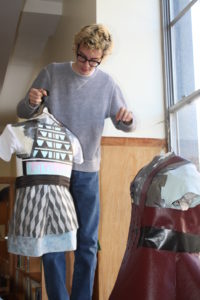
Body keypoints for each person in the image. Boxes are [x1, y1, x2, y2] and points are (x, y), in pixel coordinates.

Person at [16, 23, 136, 300]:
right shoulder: (53, 72)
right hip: (53, 171)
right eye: (82, 57)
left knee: (87, 244)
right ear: (76, 49)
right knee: (54, 239)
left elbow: (125, 124)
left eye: (94, 60)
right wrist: (32, 100)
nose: (86, 65)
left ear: (102, 58)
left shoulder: (107, 84)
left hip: (87, 172)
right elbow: (24, 110)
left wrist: (126, 120)